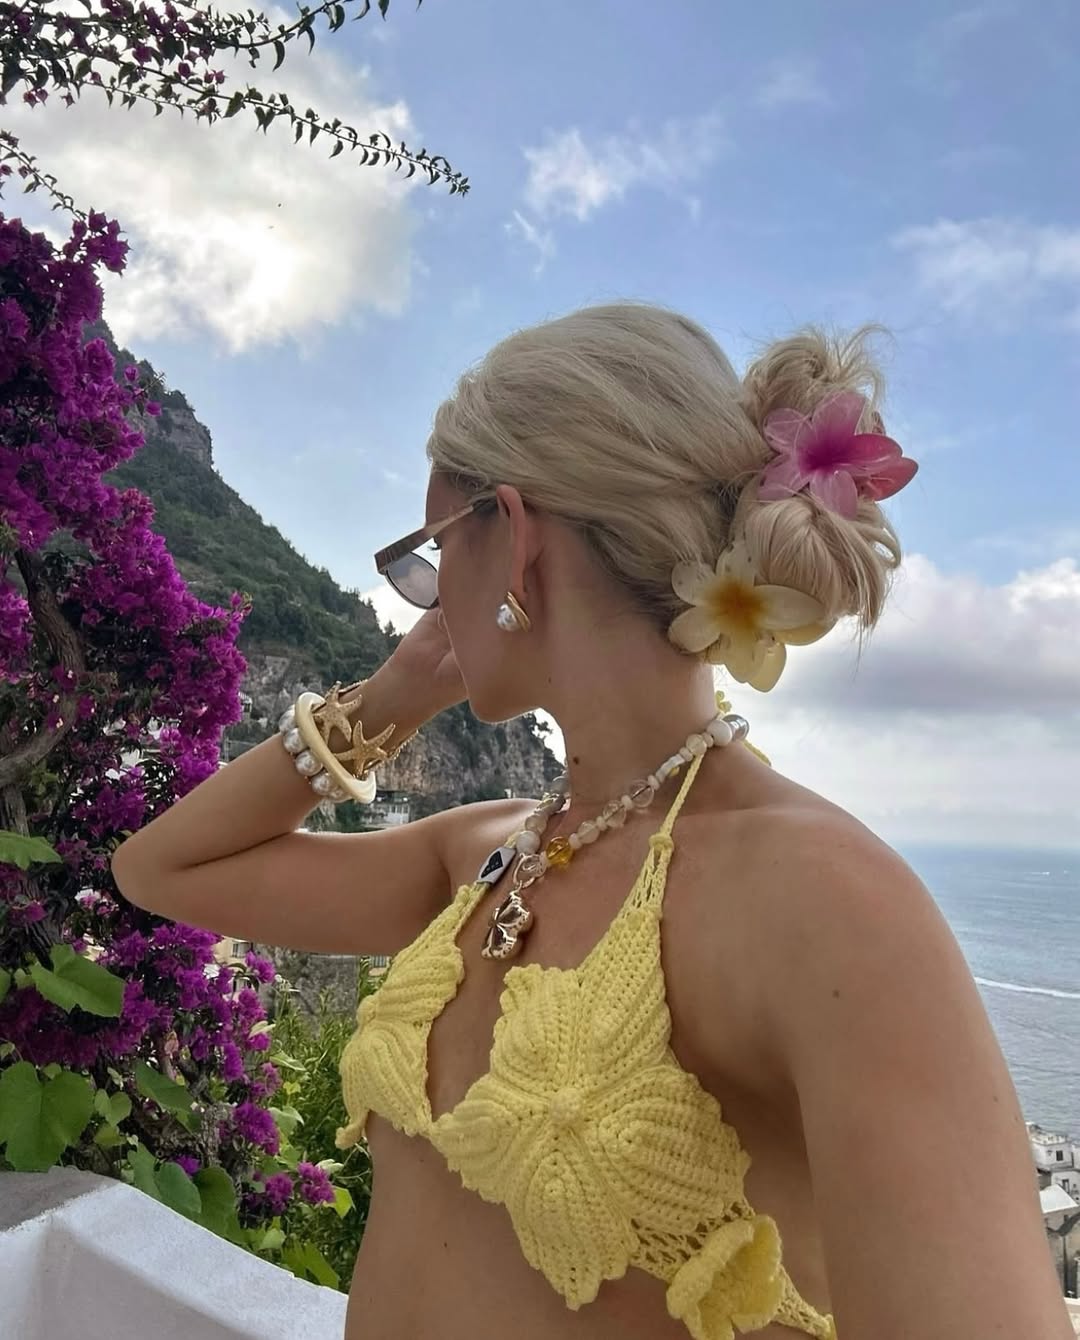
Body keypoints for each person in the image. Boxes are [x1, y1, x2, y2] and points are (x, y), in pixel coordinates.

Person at [111, 304, 1072, 1340]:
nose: (424, 600)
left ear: (514, 538)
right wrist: (385, 701)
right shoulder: (486, 848)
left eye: (434, 550)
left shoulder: (820, 897)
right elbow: (161, 868)